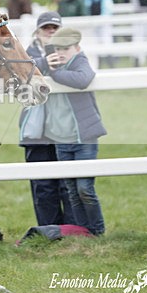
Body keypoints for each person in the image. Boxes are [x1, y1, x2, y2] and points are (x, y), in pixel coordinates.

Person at [46, 27, 107, 235]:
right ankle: (83, 231)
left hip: (84, 136)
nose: (61, 52)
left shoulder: (79, 61)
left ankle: (97, 231)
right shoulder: (51, 64)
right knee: (72, 190)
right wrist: (48, 67)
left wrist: (54, 73)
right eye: (58, 48)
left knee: (85, 189)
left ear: (77, 48)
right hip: (61, 136)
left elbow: (83, 79)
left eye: (66, 48)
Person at [18, 11, 74, 226]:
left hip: (64, 126)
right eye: (46, 28)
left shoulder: (70, 51)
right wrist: (44, 62)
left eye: (55, 28)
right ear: (38, 32)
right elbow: (19, 75)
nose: (51, 32)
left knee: (67, 182)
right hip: (36, 129)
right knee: (42, 183)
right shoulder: (24, 52)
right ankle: (48, 228)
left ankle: (71, 228)